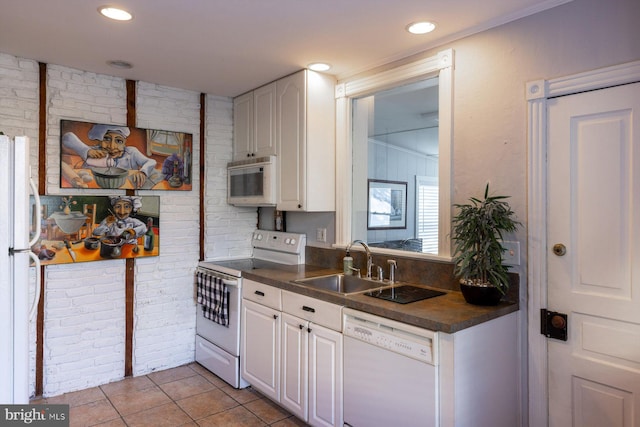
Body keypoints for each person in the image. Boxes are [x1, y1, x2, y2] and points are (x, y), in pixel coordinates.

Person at [62, 124, 157, 188]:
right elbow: (67, 138)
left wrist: (143, 172)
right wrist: (87, 151)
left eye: (118, 141)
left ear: (124, 143)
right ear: (99, 140)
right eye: (106, 139)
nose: (112, 147)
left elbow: (151, 161)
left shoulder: (131, 152)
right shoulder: (94, 151)